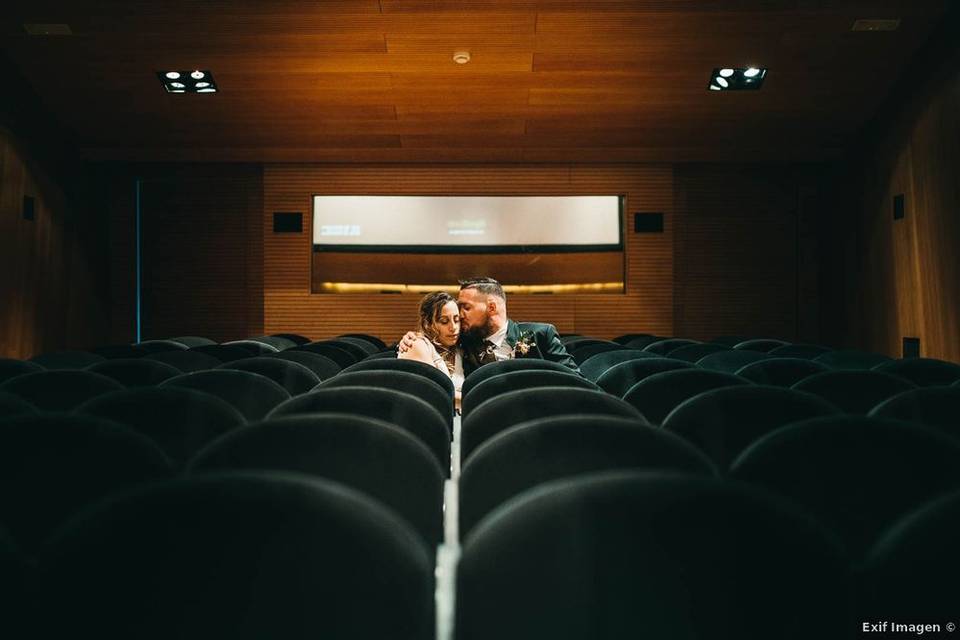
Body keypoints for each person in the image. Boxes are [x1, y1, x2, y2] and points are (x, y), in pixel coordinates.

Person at [400, 277, 580, 377]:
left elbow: (577, 380)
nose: (460, 315)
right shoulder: (463, 339)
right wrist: (413, 336)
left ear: (491, 307)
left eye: (466, 307)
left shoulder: (541, 334)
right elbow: (433, 337)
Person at [398, 291, 465, 410]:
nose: (453, 327)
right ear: (427, 323)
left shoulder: (460, 349)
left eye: (457, 319)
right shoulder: (416, 344)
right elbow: (436, 393)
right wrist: (482, 401)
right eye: (444, 321)